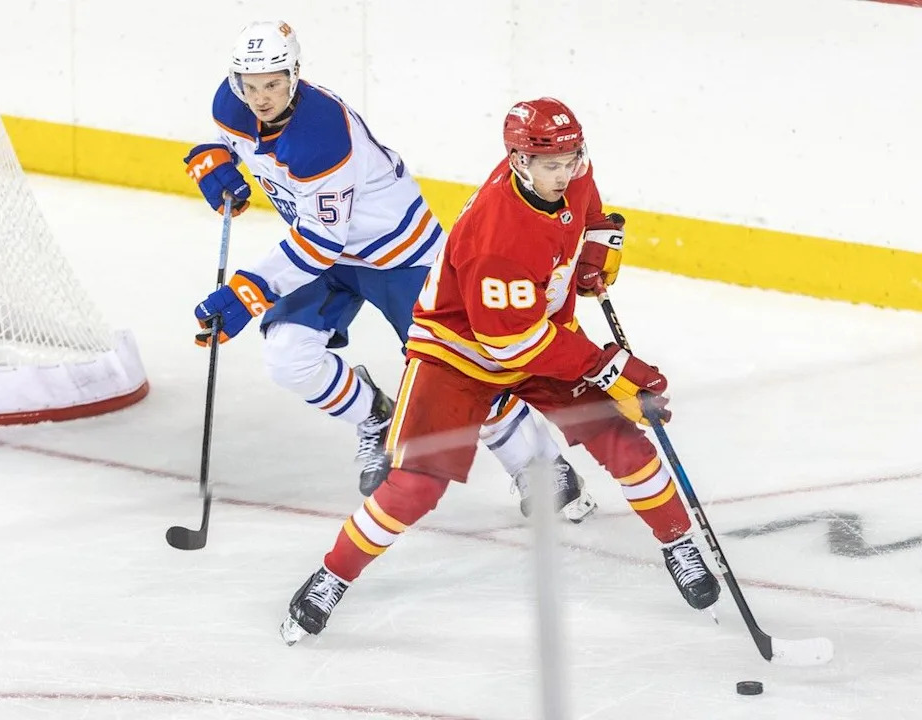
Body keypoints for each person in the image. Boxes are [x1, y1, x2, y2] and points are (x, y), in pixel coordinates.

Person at [281, 97, 721, 645]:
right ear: (518, 161)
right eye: (552, 165)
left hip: (536, 333)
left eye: (572, 160)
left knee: (620, 439)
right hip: (457, 352)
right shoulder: (498, 236)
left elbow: (588, 212)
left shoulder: (566, 170)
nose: (565, 174)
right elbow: (513, 349)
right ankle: (332, 576)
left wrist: (595, 247)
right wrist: (607, 366)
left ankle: (677, 542)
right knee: (415, 485)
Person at [183, 20, 596, 518]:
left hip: (397, 254)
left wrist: (245, 294)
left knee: (464, 371)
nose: (261, 97)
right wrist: (214, 160)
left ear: (294, 75)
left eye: (273, 84)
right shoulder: (232, 105)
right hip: (326, 254)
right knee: (288, 358)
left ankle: (543, 467)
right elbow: (235, 142)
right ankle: (374, 414)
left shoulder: (322, 133)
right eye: (251, 86)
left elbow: (319, 241)